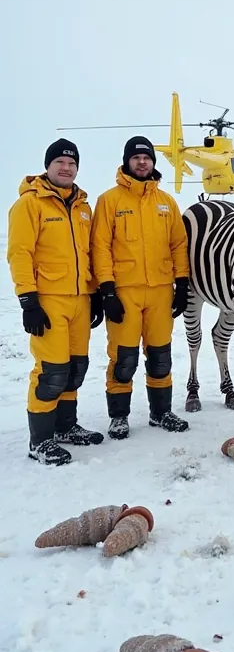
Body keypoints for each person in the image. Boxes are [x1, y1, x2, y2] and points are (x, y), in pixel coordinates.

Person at [7, 139, 104, 465]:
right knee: (52, 372)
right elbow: (20, 253)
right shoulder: (29, 205)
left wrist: (95, 295)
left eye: (72, 163)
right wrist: (28, 300)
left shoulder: (83, 207)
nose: (66, 168)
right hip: (48, 300)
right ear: (48, 166)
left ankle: (66, 426)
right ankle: (41, 440)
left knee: (76, 369)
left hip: (79, 300)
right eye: (60, 162)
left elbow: (88, 254)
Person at [91, 136, 191, 439]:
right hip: (124, 293)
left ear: (153, 162)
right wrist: (106, 290)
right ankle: (119, 417)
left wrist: (182, 284)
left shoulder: (166, 202)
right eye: (136, 158)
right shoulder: (110, 201)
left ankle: (161, 413)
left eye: (147, 157)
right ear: (126, 162)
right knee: (124, 359)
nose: (142, 162)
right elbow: (100, 247)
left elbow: (178, 244)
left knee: (161, 356)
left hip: (161, 291)